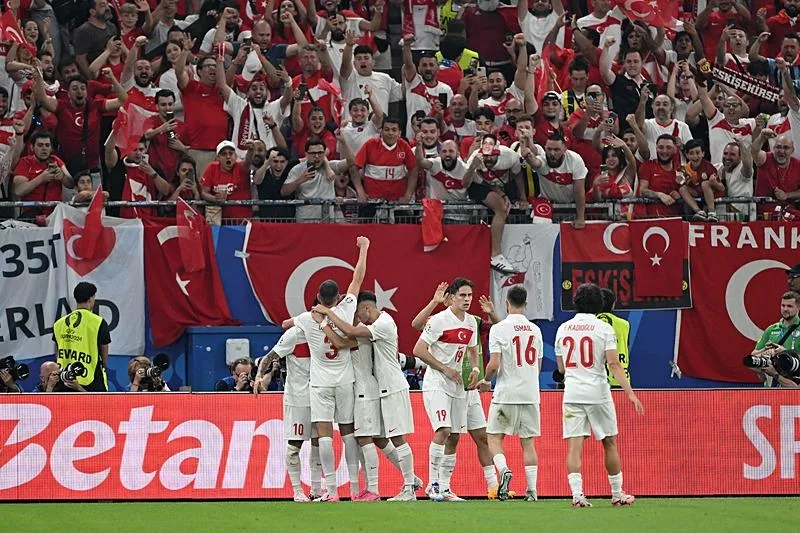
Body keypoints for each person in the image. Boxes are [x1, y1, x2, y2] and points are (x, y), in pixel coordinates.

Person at [315, 291, 420, 502]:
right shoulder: (376, 326)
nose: (356, 316)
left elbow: (341, 340)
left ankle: (378, 489)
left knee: (374, 438)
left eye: (356, 312)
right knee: (381, 438)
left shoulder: (369, 329)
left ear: (365, 309)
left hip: (373, 389)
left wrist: (323, 319)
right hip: (378, 388)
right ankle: (412, 480)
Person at [289, 236, 370, 501]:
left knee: (324, 436)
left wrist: (304, 319)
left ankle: (332, 491)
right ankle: (355, 489)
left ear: (318, 297)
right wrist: (364, 248)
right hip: (345, 380)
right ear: (338, 297)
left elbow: (284, 324)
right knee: (348, 433)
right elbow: (358, 278)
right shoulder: (345, 310)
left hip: (320, 383)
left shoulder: (307, 318)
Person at [554, 283, 643, 508]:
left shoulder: (563, 328)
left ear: (576, 302)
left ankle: (577, 495)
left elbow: (561, 368)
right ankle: (617, 494)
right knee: (609, 442)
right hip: (597, 393)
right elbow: (613, 364)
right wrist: (630, 393)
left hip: (572, 393)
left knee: (575, 446)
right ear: (599, 304)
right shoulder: (604, 329)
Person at [412, 278, 481, 502]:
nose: (467, 299)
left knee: (454, 437)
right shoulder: (438, 321)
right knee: (443, 430)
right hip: (437, 383)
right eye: (462, 295)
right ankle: (432, 485)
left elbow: (472, 349)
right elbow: (418, 350)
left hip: (457, 384)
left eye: (469, 295)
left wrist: (475, 368)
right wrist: (444, 369)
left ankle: (445, 487)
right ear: (451, 298)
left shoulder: (471, 322)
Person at [484, 285, 543, 502]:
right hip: (530, 394)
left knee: (494, 437)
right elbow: (537, 367)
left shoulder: (498, 329)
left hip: (506, 393)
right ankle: (532, 491)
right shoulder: (535, 330)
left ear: (506, 303)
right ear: (525, 304)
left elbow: (494, 364)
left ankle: (504, 470)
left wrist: (486, 381)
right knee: (528, 443)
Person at [255, 325, 323, 502]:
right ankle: (297, 491)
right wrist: (259, 376)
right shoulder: (294, 334)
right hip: (297, 398)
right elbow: (269, 357)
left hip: (320, 396)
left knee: (319, 443)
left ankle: (316, 489)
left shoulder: (325, 331)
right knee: (295, 445)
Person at [52, 282, 111, 392]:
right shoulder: (98, 322)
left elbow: (57, 350)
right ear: (90, 299)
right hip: (91, 379)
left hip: (64, 379)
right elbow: (104, 354)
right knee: (97, 404)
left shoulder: (59, 323)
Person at [748, 291, 800, 388]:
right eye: (783, 305)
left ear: (798, 307)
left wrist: (785, 352)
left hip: (793, 386)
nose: (785, 309)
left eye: (789, 306)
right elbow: (753, 356)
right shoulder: (771, 329)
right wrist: (766, 351)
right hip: (770, 390)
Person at [597, 288, 631, 388]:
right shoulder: (625, 324)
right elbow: (627, 348)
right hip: (620, 379)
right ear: (613, 304)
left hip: (597, 380)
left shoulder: (590, 325)